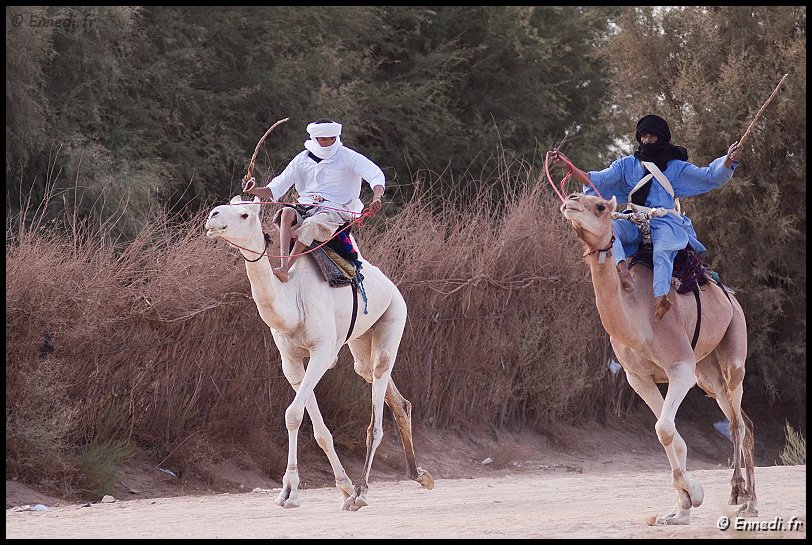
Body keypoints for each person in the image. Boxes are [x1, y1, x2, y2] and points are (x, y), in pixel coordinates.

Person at [552, 114, 743, 319]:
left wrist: (728, 160)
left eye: (651, 136)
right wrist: (569, 167)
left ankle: (661, 297)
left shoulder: (676, 167)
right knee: (611, 229)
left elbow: (709, 176)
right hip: (633, 218)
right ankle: (622, 269)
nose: (646, 141)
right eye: (643, 137)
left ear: (661, 137)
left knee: (662, 250)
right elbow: (594, 180)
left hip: (664, 221)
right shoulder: (626, 165)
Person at [242, 119, 385, 282]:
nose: (329, 142)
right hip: (304, 207)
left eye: (332, 138)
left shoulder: (348, 157)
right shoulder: (301, 160)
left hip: (334, 211)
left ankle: (286, 269)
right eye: (324, 139)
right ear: (314, 138)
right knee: (286, 213)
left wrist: (376, 198)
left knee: (311, 224)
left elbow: (375, 175)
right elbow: (275, 188)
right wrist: (253, 190)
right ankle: (283, 263)